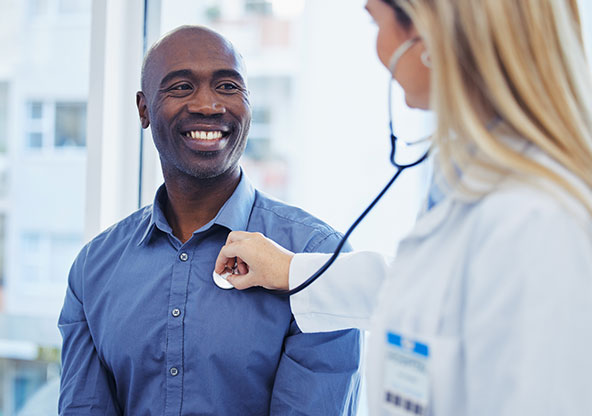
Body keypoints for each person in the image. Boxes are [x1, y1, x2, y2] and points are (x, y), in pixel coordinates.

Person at [215, 0, 592, 415]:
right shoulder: (473, 184)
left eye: (375, 21)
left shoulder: (541, 222)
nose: (379, 53)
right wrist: (291, 270)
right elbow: (437, 290)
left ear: (428, 31)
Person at [58, 25, 362, 415]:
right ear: (143, 109)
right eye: (181, 87)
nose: (208, 105)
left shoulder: (317, 261)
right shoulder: (93, 270)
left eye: (228, 87)